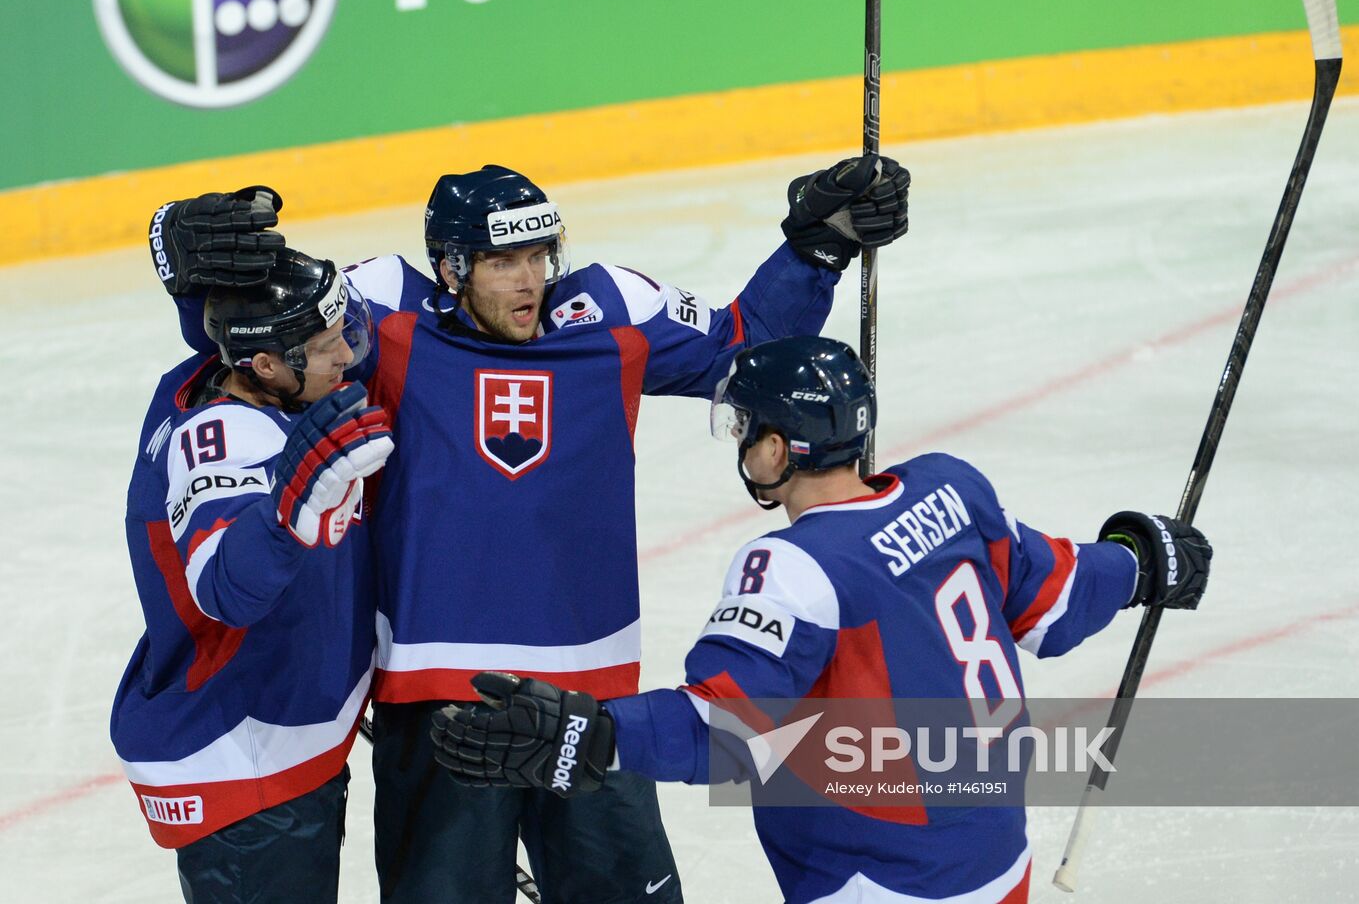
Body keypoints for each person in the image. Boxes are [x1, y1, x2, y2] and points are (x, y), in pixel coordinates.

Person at [151, 159, 912, 903]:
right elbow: (269, 340)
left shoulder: (612, 307)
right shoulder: (383, 305)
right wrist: (193, 284)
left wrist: (816, 248)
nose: (528, 278)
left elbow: (739, 346)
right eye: (501, 260)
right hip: (436, 690)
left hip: (592, 693)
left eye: (538, 254)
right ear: (450, 268)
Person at [428, 335, 1214, 904]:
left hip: (879, 876)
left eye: (744, 432)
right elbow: (1054, 599)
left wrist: (591, 734)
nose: (739, 447)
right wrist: (1140, 559)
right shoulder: (948, 490)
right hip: (994, 858)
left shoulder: (793, 567)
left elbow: (729, 732)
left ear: (778, 449)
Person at [112, 245, 394, 902]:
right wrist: (289, 507)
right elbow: (224, 587)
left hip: (277, 748)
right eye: (326, 345)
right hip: (238, 764)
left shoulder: (259, 388)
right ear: (266, 364)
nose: (346, 359)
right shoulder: (223, 440)